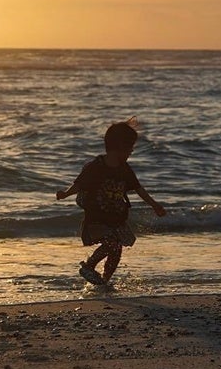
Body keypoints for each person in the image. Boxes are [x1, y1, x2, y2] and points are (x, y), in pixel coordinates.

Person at [56, 118, 166, 286]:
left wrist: (154, 205)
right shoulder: (97, 166)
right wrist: (65, 194)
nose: (131, 151)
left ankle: (104, 282)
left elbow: (138, 189)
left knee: (117, 250)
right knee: (112, 244)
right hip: (97, 217)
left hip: (116, 217)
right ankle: (89, 266)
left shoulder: (124, 168)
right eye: (130, 147)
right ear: (120, 146)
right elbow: (80, 184)